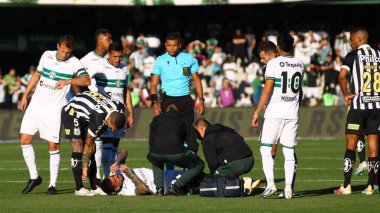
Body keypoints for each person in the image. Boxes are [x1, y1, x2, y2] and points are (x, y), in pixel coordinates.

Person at [19, 35, 91, 195]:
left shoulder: (74, 62)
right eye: (63, 51)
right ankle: (34, 177)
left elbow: (87, 81)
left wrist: (68, 81)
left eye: (68, 52)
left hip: (54, 109)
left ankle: (52, 185)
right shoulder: (47, 55)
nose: (65, 55)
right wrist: (25, 95)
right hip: (36, 104)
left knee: (53, 146)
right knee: (24, 140)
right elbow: (37, 75)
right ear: (58, 46)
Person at [252, 32, 304, 199]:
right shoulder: (300, 64)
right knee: (289, 152)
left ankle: (271, 184)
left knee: (265, 148)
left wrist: (257, 111)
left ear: (278, 47)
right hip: (292, 112)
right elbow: (300, 92)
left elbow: (267, 89)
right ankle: (288, 188)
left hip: (275, 111)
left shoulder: (273, 63)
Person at [334, 27, 380, 195]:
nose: (349, 42)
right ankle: (371, 186)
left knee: (351, 145)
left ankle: (346, 185)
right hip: (376, 106)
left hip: (359, 105)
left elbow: (341, 76)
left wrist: (346, 95)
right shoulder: (378, 54)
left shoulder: (352, 56)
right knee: (374, 147)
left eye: (351, 39)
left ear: (360, 40)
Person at [84, 42, 134, 180]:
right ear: (109, 54)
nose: (117, 60)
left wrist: (130, 112)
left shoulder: (124, 69)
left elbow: (125, 91)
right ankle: (99, 178)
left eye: (120, 56)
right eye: (114, 56)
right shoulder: (99, 66)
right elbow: (84, 78)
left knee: (113, 147)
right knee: (100, 145)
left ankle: (110, 177)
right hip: (104, 113)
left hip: (119, 114)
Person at [61, 91, 126, 196]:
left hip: (88, 113)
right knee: (79, 146)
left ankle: (95, 186)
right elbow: (89, 143)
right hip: (72, 113)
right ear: (108, 119)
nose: (112, 131)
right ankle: (79, 188)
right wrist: (85, 167)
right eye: (111, 127)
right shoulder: (98, 117)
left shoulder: (120, 107)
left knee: (93, 149)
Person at [147, 104, 205, 196]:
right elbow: (192, 143)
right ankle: (176, 186)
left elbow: (151, 138)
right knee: (199, 164)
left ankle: (159, 189)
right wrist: (192, 154)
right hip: (177, 153)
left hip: (155, 151)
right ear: (179, 111)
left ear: (165, 111)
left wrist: (153, 151)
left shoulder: (156, 119)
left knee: (156, 161)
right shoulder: (184, 119)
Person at [79, 28, 113, 188]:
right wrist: (82, 97)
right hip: (95, 106)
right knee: (96, 141)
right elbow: (76, 80)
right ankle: (98, 178)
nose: (111, 42)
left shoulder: (112, 58)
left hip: (112, 106)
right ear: (101, 40)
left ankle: (108, 177)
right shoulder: (86, 60)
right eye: (109, 39)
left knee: (110, 144)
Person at [150, 32, 205, 123]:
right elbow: (153, 84)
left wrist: (201, 100)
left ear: (179, 45)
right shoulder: (160, 60)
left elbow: (197, 80)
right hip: (167, 99)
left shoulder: (189, 58)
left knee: (188, 132)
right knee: (170, 132)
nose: (171, 48)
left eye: (174, 45)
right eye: (169, 45)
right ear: (165, 45)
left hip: (185, 99)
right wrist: (154, 103)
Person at [193, 118, 257, 195]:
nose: (197, 137)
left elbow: (212, 162)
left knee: (216, 179)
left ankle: (244, 184)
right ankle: (237, 181)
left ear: (202, 128)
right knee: (223, 169)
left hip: (237, 163)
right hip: (250, 159)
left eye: (197, 133)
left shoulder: (208, 137)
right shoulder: (225, 128)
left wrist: (215, 175)